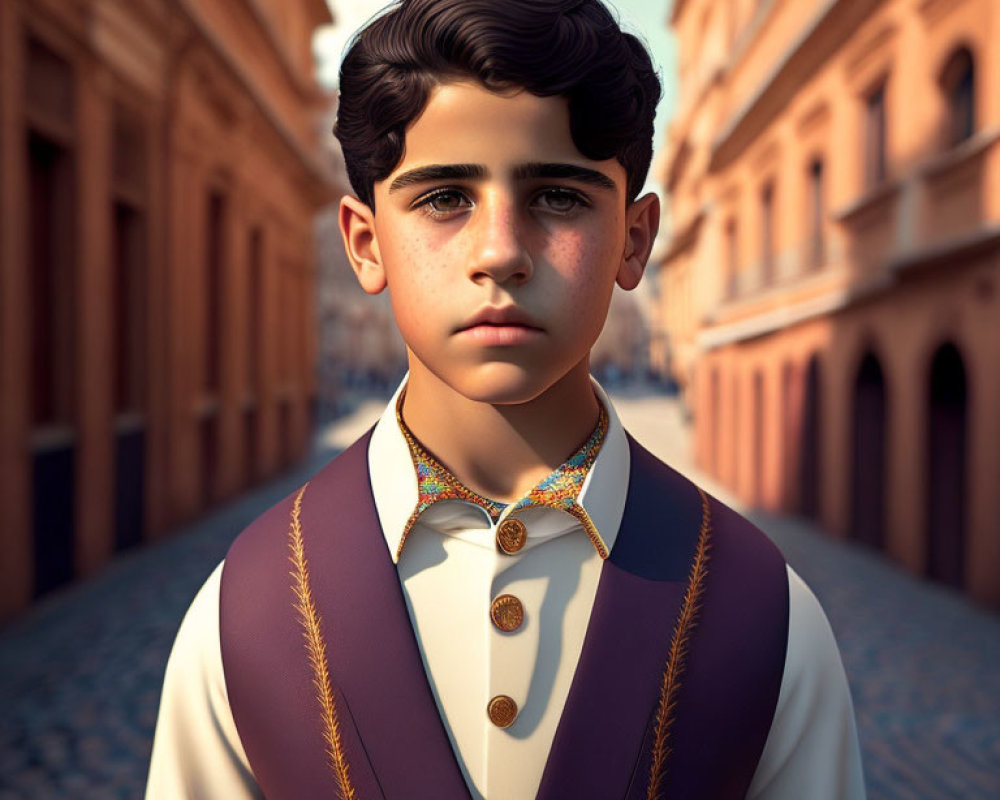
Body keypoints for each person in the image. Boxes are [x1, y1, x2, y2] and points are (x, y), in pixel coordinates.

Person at [145, 1, 866, 798]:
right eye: (443, 198)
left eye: (558, 197)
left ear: (634, 239)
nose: (501, 253)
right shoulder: (244, 616)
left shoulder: (765, 618)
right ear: (365, 242)